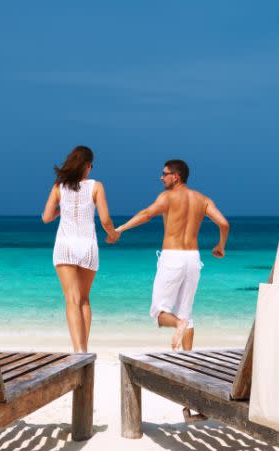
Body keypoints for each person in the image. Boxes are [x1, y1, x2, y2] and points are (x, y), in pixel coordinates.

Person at [110, 159, 228, 350]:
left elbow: (147, 214)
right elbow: (224, 224)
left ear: (176, 176)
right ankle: (188, 360)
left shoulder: (168, 197)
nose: (161, 177)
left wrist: (121, 229)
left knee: (159, 311)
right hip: (193, 259)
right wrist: (220, 246)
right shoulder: (203, 199)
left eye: (164, 174)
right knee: (186, 313)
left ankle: (178, 325)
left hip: (173, 257)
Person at [42, 145, 118, 352]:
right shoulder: (96, 186)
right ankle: (84, 349)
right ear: (87, 165)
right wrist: (113, 235)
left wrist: (62, 209)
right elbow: (105, 220)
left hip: (65, 246)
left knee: (71, 300)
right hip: (88, 246)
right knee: (84, 300)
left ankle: (79, 351)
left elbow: (46, 217)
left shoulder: (59, 186)